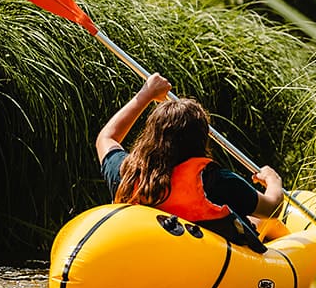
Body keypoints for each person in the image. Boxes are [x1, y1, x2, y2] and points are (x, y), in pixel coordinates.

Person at [95, 74, 283, 254]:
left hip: (146, 256)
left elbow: (106, 137)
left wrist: (147, 93)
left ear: (151, 135)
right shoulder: (216, 180)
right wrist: (273, 180)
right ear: (201, 139)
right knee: (260, 220)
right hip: (205, 267)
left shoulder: (127, 174)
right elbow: (272, 208)